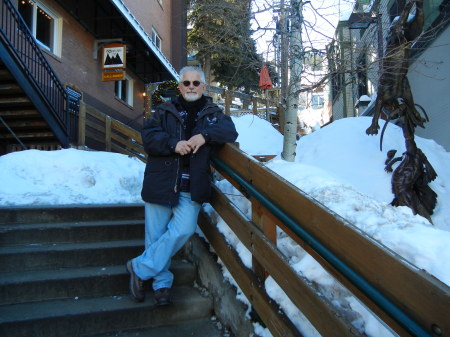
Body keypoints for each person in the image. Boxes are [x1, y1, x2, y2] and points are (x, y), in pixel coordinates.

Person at [126, 66, 238, 305]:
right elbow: (149, 138)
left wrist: (204, 136)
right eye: (186, 83)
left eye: (196, 83)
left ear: (204, 87)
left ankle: (138, 267)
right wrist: (173, 144)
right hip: (161, 181)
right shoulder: (163, 111)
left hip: (192, 184)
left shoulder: (213, 113)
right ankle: (161, 283)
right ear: (179, 87)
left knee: (184, 229)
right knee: (155, 236)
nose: (190, 87)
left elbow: (230, 131)